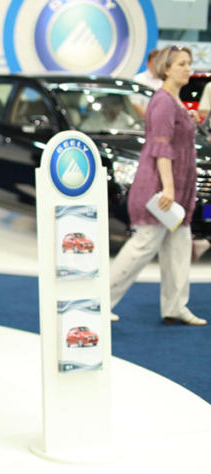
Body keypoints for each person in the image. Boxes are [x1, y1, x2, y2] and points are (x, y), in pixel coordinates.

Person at [110, 46, 206, 326]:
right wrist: (168, 188)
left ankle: (176, 306)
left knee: (179, 247)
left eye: (189, 63)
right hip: (161, 188)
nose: (188, 69)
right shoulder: (163, 101)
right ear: (166, 68)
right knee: (143, 245)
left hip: (177, 191)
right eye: (181, 64)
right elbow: (160, 148)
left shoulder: (174, 101)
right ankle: (100, 301)